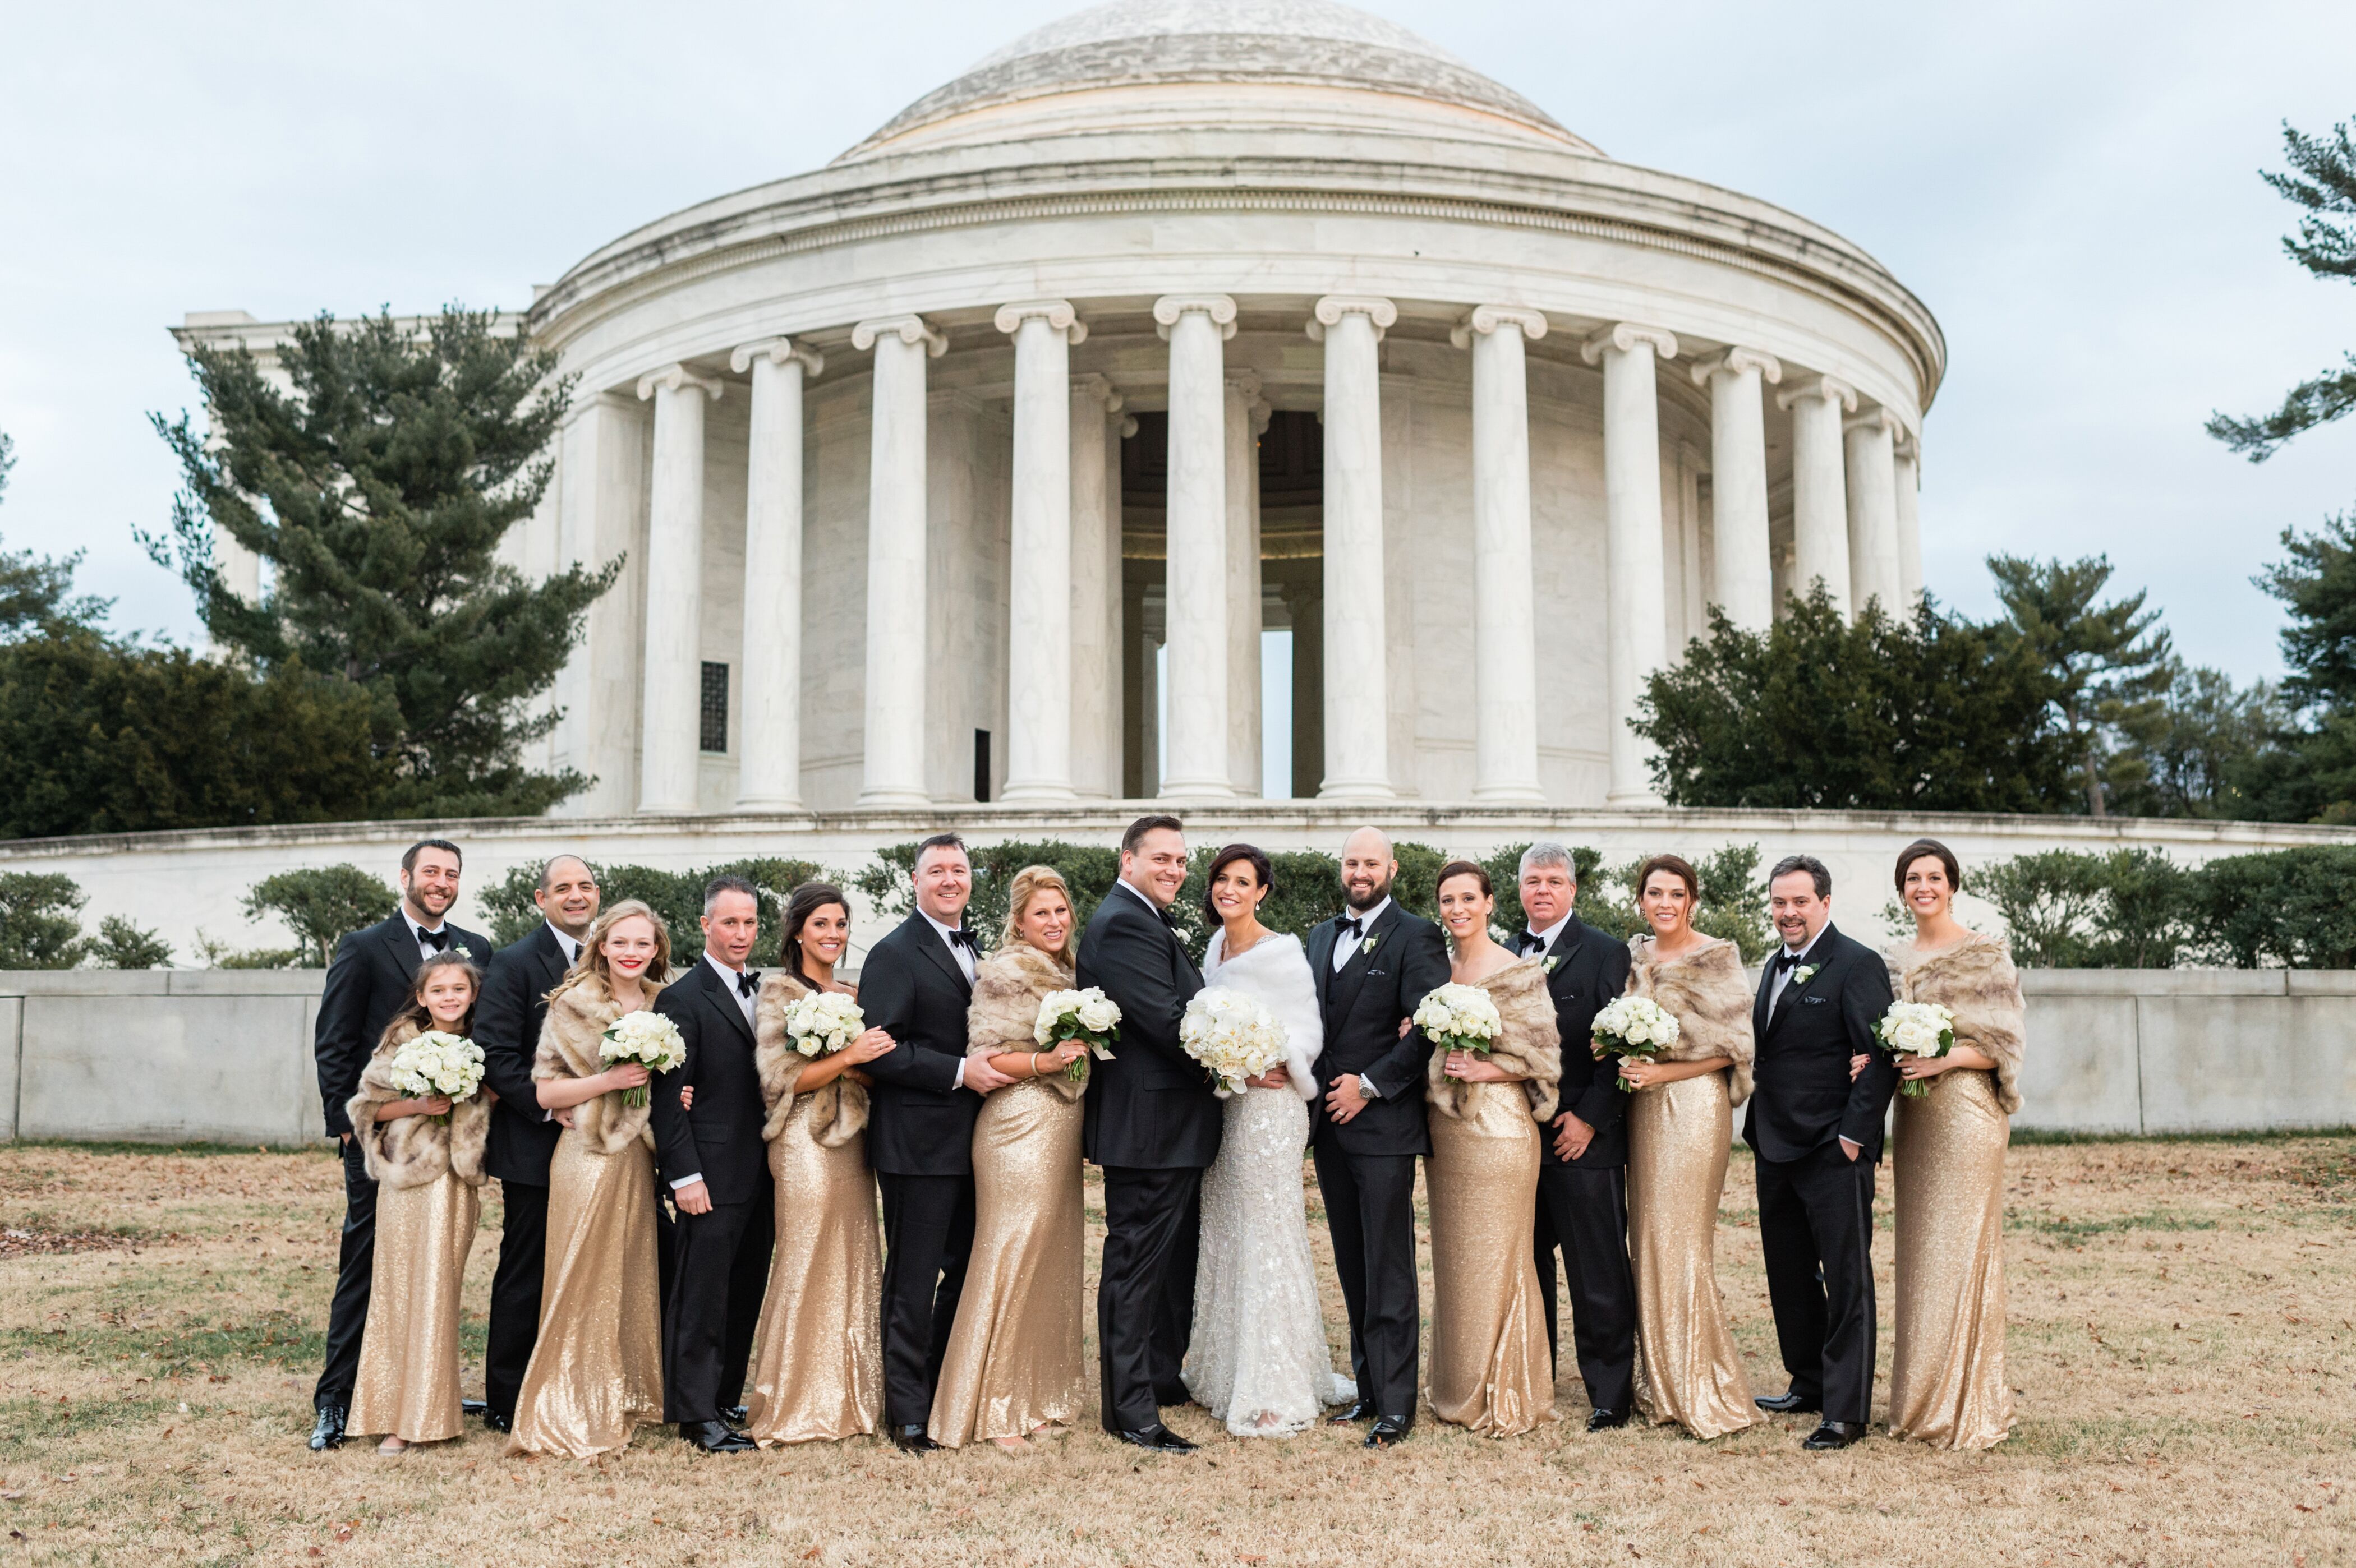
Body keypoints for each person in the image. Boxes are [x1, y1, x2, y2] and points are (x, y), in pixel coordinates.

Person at [308, 839, 489, 1452]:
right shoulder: (363, 947)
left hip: (454, 1149)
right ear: (407, 876)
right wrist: (350, 1127)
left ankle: (426, 1389)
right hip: (384, 1142)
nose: (441, 882)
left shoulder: (475, 950)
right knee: (366, 1265)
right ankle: (336, 1400)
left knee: (438, 1269)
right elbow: (334, 1042)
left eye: (451, 874)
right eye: (431, 872)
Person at [1182, 844, 1355, 1437]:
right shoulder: (1213, 950)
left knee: (1269, 1237)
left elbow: (1304, 1030)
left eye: (1243, 881)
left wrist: (1268, 1063)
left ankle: (1274, 1386)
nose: (1229, 889)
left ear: (1262, 892)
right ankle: (1227, 1371)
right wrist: (1229, 1067)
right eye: (1222, 880)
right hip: (1227, 1112)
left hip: (1271, 1114)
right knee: (1228, 1232)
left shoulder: (1281, 953)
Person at [859, 834, 1018, 1454]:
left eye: (959, 869)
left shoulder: (974, 947)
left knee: (963, 1271)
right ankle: (907, 1414)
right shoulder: (895, 953)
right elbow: (881, 1049)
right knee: (913, 1278)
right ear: (916, 880)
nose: (950, 880)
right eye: (937, 871)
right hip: (916, 1144)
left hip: (975, 1144)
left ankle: (941, 1388)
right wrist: (959, 1071)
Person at [1868, 838, 2025, 1451]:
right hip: (1917, 1119)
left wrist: (1943, 1059)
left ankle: (1968, 1404)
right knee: (1923, 1254)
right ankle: (1921, 1403)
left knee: (1962, 1251)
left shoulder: (1984, 955)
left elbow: (2005, 1046)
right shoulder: (1892, 960)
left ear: (1952, 886)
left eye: (1934, 876)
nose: (1923, 886)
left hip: (1967, 1113)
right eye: (1913, 878)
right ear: (1903, 889)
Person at [930, 866, 1092, 1451]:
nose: (1054, 921)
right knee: (1009, 1256)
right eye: (1041, 913)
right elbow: (987, 1060)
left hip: (1061, 1129)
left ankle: (1030, 1395)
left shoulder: (1072, 973)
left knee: (1048, 1260)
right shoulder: (1003, 972)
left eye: (1061, 910)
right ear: (1020, 921)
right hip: (1016, 1126)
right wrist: (1045, 1064)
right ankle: (991, 1410)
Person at [1077, 814, 1221, 1454]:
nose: (1174, 870)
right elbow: (1168, 1023)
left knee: (1161, 1268)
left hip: (1164, 1127)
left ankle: (1157, 1379)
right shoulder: (1126, 922)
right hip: (1148, 1128)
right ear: (1127, 860)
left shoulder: (1142, 917)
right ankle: (1130, 1412)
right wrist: (1240, 1060)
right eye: (1160, 858)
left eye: (1181, 861)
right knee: (1135, 1269)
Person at [1746, 854, 1899, 1451]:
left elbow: (1880, 1055)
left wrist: (1853, 1136)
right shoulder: (1772, 966)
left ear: (1825, 903)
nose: (1788, 912)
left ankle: (1846, 1409)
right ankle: (1807, 1381)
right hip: (1774, 1143)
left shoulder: (1857, 964)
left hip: (1834, 1147)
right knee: (1788, 1274)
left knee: (1845, 1275)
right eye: (1780, 902)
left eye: (1800, 902)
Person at [507, 901, 670, 1459]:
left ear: (656, 950)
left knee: (628, 1274)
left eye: (642, 944)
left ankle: (624, 1395)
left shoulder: (662, 1004)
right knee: (581, 1276)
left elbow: (674, 1083)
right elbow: (547, 1093)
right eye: (620, 942)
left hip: (637, 1160)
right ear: (602, 945)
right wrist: (611, 1080)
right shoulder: (571, 1004)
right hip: (585, 1155)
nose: (631, 953)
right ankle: (567, 1405)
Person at [1305, 826, 1448, 1449]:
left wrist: (1366, 1085)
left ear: (1391, 868)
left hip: (1383, 1125)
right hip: (1329, 1131)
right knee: (1352, 1263)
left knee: (1388, 1266)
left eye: (1371, 863)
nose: (1360, 872)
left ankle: (1396, 1406)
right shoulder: (1317, 936)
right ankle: (1368, 1393)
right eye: (1351, 863)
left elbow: (1429, 1027)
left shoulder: (1418, 935)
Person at [743, 882, 895, 1446]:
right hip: (801, 1141)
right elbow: (779, 1077)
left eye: (841, 925)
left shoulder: (856, 994)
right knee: (805, 1259)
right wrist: (849, 1058)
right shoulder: (779, 993)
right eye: (822, 925)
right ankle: (791, 1400)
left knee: (855, 1258)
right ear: (798, 931)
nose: (833, 935)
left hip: (854, 1140)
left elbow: (878, 1067)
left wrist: (856, 1066)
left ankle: (850, 1398)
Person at [1616, 854, 1756, 1440]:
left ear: (1691, 900)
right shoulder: (1634, 958)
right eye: (1655, 893)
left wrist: (1661, 1077)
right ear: (1641, 900)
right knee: (1646, 1237)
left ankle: (1699, 1380)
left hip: (1694, 1106)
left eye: (1676, 893)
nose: (1665, 903)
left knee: (1683, 1239)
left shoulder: (1717, 956)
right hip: (1642, 1111)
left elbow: (1735, 1048)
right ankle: (1658, 1380)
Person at [1422, 859, 1560, 1438]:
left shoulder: (1517, 970)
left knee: (1502, 1255)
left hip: (1501, 1132)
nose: (1457, 910)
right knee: (1456, 1258)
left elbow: (1545, 1058)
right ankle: (1457, 1382)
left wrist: (1488, 1068)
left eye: (1467, 899)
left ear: (1490, 904)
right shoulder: (1439, 969)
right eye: (1448, 900)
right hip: (1447, 1134)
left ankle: (1507, 1387)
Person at [343, 951, 493, 1454]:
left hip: (456, 1180)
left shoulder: (483, 1041)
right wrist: (421, 1104)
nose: (449, 998)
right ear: (422, 996)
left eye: (459, 989)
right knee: (400, 1290)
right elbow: (367, 1107)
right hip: (407, 1179)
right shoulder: (402, 1041)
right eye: (439, 990)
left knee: (440, 1291)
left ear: (472, 994)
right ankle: (394, 1417)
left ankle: (432, 1410)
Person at [472, 853, 600, 1434]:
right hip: (536, 1145)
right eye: (564, 888)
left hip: (609, 1151)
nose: (578, 896)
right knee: (526, 1269)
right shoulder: (515, 963)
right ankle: (506, 1397)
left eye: (587, 886)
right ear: (540, 899)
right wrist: (553, 1107)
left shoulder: (612, 959)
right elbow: (496, 1056)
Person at [1513, 841, 1638, 1431]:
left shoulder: (1606, 952)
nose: (1543, 890)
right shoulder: (1504, 953)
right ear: (1519, 890)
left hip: (1584, 1138)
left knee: (1597, 1271)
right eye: (1533, 881)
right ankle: (1533, 1376)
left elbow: (1623, 1041)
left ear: (1573, 891)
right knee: (1527, 1264)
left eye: (1554, 881)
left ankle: (1610, 1395)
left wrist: (1590, 1118)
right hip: (1517, 1139)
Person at [648, 876, 775, 1455]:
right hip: (709, 1174)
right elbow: (668, 1102)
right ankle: (696, 1415)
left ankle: (724, 1397)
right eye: (730, 923)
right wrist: (685, 1176)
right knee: (701, 1295)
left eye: (749, 923)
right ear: (705, 926)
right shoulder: (682, 997)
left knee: (744, 1289)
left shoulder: (766, 992)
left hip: (762, 1172)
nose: (742, 934)